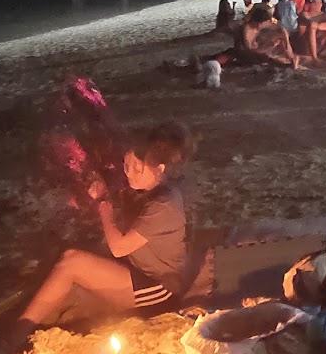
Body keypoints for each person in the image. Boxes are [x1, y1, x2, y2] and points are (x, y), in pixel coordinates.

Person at [15, 122, 197, 331]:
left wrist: (104, 208)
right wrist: (101, 194)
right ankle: (31, 322)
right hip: (136, 272)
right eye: (126, 165)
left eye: (137, 168)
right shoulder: (146, 188)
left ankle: (13, 338)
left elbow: (119, 247)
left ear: (160, 169)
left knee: (72, 261)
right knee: (70, 267)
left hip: (159, 289)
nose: (129, 173)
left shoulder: (164, 204)